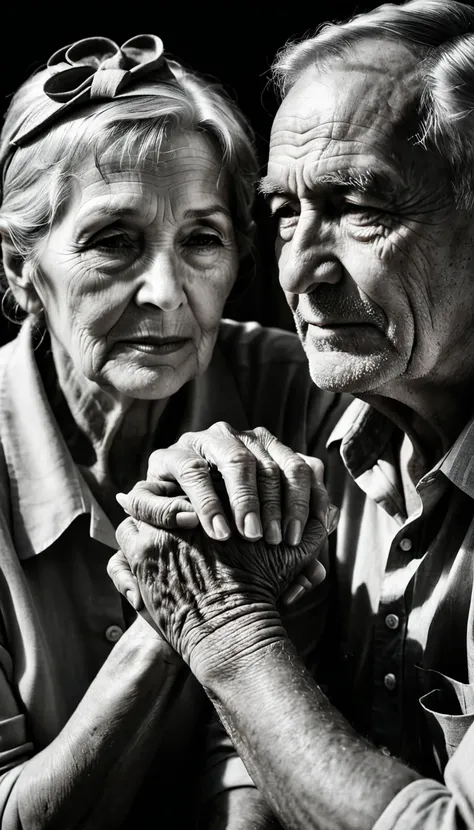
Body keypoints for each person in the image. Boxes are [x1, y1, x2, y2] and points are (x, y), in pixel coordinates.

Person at [109, 1, 474, 827]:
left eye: (359, 208)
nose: (300, 270)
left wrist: (229, 633)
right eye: (283, 215)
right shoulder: (343, 436)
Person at [0, 32, 343, 829]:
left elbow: (274, 761)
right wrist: (185, 605)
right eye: (114, 241)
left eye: (200, 240)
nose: (166, 292)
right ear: (20, 265)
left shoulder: (307, 396)